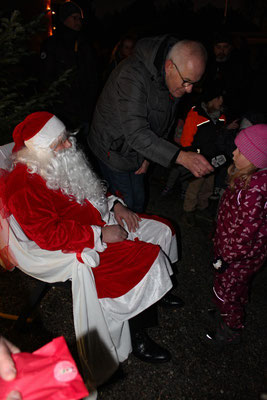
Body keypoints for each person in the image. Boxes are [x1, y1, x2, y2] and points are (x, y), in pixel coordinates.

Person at [0, 112, 181, 394]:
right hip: (80, 246)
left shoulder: (55, 161)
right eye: (59, 142)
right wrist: (97, 235)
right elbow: (48, 236)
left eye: (65, 138)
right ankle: (138, 334)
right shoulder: (24, 185)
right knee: (147, 260)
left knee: (163, 230)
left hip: (104, 220)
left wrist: (117, 205)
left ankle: (157, 294)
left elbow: (89, 193)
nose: (68, 146)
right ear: (38, 149)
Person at [88, 35, 213, 212]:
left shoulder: (173, 78)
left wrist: (148, 157)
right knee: (125, 204)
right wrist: (183, 157)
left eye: (194, 83)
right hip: (112, 148)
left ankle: (136, 235)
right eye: (187, 82)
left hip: (138, 148)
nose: (189, 89)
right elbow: (136, 133)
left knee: (139, 198)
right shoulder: (131, 75)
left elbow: (165, 121)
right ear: (169, 66)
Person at [206, 124, 267, 345]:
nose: (233, 153)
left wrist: (226, 257)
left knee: (229, 290)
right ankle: (226, 309)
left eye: (240, 151)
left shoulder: (253, 192)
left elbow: (244, 234)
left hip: (237, 257)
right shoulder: (246, 179)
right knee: (234, 287)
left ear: (255, 160)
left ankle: (231, 327)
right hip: (232, 249)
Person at [39, 1, 98, 148]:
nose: (78, 22)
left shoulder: (84, 44)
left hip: (85, 110)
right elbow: (46, 79)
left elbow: (92, 76)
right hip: (63, 113)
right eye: (74, 18)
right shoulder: (52, 45)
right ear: (64, 19)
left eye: (80, 18)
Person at [179, 84, 228, 226]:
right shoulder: (196, 113)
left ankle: (202, 207)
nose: (222, 101)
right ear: (213, 99)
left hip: (213, 159)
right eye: (219, 98)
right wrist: (190, 158)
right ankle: (188, 212)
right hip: (198, 158)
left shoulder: (221, 116)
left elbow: (220, 137)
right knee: (194, 187)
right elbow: (186, 139)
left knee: (208, 187)